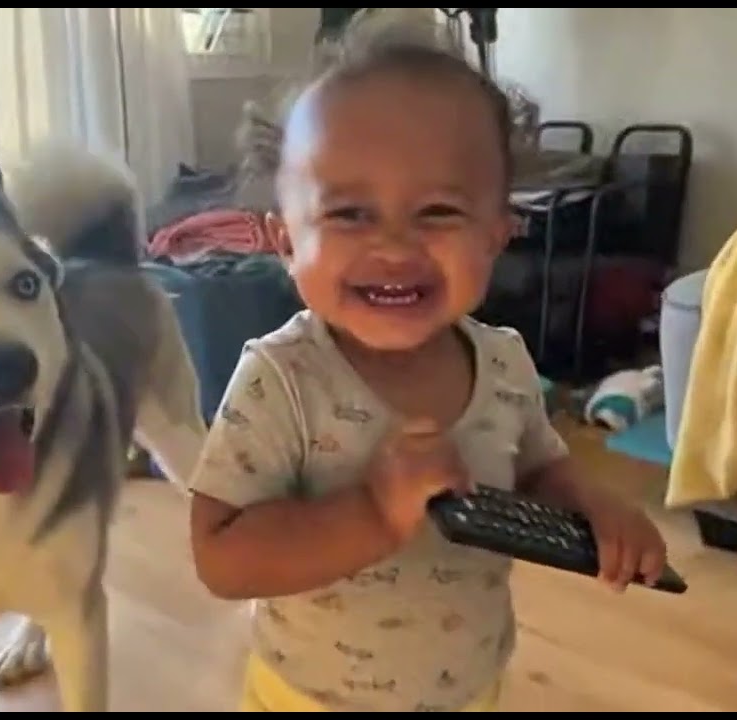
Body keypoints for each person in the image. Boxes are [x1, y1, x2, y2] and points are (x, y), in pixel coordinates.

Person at [185, 12, 670, 714]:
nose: (394, 245)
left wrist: (593, 507)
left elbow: (538, 468)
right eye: (349, 213)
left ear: (497, 235)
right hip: (311, 700)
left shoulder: (504, 364)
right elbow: (220, 556)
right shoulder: (281, 381)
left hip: (469, 686)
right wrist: (373, 513)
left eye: (438, 211)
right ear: (286, 241)